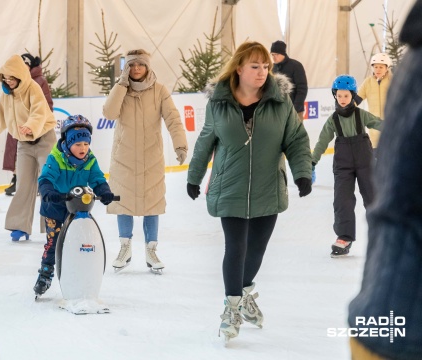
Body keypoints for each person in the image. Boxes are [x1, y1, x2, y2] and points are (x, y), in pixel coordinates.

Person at [186, 41, 312, 342]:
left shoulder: (280, 102)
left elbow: (295, 139)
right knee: (236, 247)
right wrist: (194, 175)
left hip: (268, 187)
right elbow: (206, 140)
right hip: (230, 185)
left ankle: (243, 294)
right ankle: (231, 308)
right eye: (255, 66)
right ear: (239, 68)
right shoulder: (218, 103)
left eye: (266, 66)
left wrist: (302, 173)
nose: (262, 72)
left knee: (256, 250)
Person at [348, 2, 422, 358]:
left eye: (380, 65)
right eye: (374, 65)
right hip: (402, 321)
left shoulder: (399, 75)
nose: (377, 68)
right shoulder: (412, 74)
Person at [102, 49, 188, 273]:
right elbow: (109, 113)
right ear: (126, 68)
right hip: (124, 158)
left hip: (151, 157)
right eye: (132, 64)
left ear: (148, 67)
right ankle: (125, 248)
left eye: (141, 64)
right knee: (123, 202)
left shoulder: (159, 91)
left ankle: (151, 251)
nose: (136, 68)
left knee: (152, 203)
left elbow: (173, 119)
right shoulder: (121, 90)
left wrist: (180, 144)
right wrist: (120, 85)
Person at [0, 55, 56, 241]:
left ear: (20, 76)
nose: (8, 82)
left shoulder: (33, 88)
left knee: (48, 183)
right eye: (5, 79)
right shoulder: (7, 95)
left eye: (11, 78)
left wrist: (30, 126)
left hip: (44, 139)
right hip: (24, 144)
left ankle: (53, 224)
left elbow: (40, 111)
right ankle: (20, 225)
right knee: (23, 184)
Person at [33, 115, 114, 296]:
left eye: (86, 144)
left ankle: (79, 270)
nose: (83, 148)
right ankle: (45, 274)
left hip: (77, 207)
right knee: (53, 242)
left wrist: (104, 190)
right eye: (78, 144)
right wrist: (48, 192)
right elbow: (45, 178)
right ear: (68, 143)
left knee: (80, 240)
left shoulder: (90, 160)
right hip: (54, 205)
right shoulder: (56, 158)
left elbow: (97, 178)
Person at [311, 75, 382, 258]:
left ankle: (383, 235)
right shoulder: (333, 120)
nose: (342, 99)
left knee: (373, 196)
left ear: (353, 96)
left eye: (346, 96)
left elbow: (380, 124)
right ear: (335, 95)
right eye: (339, 96)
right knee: (342, 200)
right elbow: (322, 142)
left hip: (365, 161)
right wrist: (312, 161)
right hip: (343, 164)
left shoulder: (361, 115)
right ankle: (344, 237)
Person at [3, 53, 54, 196]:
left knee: (38, 155)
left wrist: (35, 122)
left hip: (35, 127)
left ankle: (39, 182)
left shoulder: (39, 81)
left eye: (25, 65)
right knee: (15, 153)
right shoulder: (14, 80)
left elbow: (46, 104)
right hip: (18, 125)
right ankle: (17, 179)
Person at [356, 52, 393, 148]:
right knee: (375, 156)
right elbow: (357, 99)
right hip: (374, 127)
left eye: (381, 67)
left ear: (386, 68)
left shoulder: (393, 81)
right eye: (375, 67)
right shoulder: (368, 82)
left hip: (390, 125)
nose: (378, 70)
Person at [270, 40, 308, 120]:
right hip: (278, 111)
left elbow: (302, 88)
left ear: (282, 53)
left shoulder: (296, 66)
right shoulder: (272, 68)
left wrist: (295, 109)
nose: (274, 57)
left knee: (295, 132)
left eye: (276, 54)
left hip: (294, 111)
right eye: (272, 55)